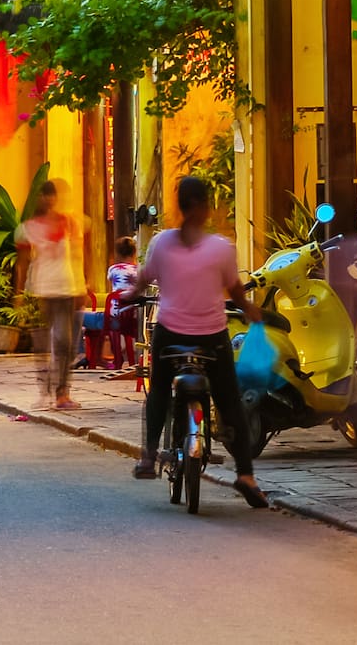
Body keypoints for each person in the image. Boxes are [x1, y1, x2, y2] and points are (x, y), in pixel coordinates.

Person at [132, 176, 269, 508]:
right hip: (211, 338)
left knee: (160, 391)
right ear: (205, 208)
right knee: (228, 400)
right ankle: (246, 476)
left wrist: (129, 294)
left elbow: (143, 279)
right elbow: (235, 291)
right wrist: (251, 309)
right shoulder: (221, 248)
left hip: (170, 336)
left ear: (180, 207)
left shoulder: (161, 243)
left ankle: (150, 456)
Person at [15, 179, 83, 410]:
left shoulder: (70, 223)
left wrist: (84, 284)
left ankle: (62, 392)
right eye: (46, 195)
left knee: (65, 341)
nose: (50, 200)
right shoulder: (29, 227)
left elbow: (78, 254)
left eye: (53, 196)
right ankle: (45, 390)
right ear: (41, 199)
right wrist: (19, 292)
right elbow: (21, 263)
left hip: (67, 286)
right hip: (42, 288)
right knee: (42, 343)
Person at [82, 236, 141, 372]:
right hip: (132, 320)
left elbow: (114, 286)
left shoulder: (113, 269)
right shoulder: (140, 271)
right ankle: (100, 359)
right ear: (134, 253)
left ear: (118, 254)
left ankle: (93, 358)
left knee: (78, 316)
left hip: (113, 320)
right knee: (102, 319)